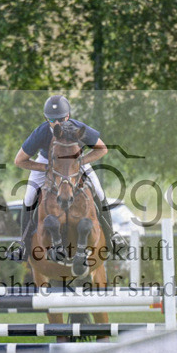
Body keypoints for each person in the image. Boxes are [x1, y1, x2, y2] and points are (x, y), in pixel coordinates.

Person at [11, 94, 124, 261]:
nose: (57, 123)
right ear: (45, 118)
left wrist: (80, 162)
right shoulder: (41, 132)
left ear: (68, 116)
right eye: (51, 119)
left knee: (99, 191)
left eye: (61, 119)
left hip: (75, 159)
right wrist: (46, 168)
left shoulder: (79, 128)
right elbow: (19, 160)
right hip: (47, 161)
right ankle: (23, 245)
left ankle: (112, 237)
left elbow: (102, 149)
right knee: (28, 197)